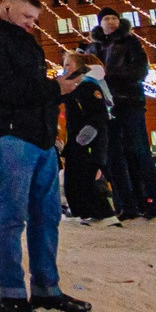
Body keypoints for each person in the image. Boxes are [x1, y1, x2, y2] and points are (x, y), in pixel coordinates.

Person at [0, 0, 91, 312]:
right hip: (13, 135)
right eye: (26, 17)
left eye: (35, 19)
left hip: (39, 135)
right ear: (5, 8)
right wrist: (53, 89)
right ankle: (12, 292)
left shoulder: (23, 40)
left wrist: (56, 93)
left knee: (47, 216)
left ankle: (47, 287)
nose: (32, 24)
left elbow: (25, 88)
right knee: (12, 214)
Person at [90, 12, 156, 221]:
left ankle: (155, 201)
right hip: (106, 106)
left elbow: (140, 71)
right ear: (100, 24)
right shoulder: (94, 48)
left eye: (114, 18)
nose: (111, 22)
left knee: (139, 149)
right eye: (106, 19)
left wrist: (108, 75)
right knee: (113, 155)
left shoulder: (131, 43)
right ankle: (125, 204)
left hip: (130, 101)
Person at [59, 60, 116, 223]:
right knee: (73, 179)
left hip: (87, 142)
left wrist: (87, 135)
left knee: (86, 177)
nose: (65, 68)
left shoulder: (88, 87)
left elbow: (98, 116)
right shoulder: (72, 90)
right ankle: (82, 212)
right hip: (75, 142)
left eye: (69, 64)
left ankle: (103, 213)